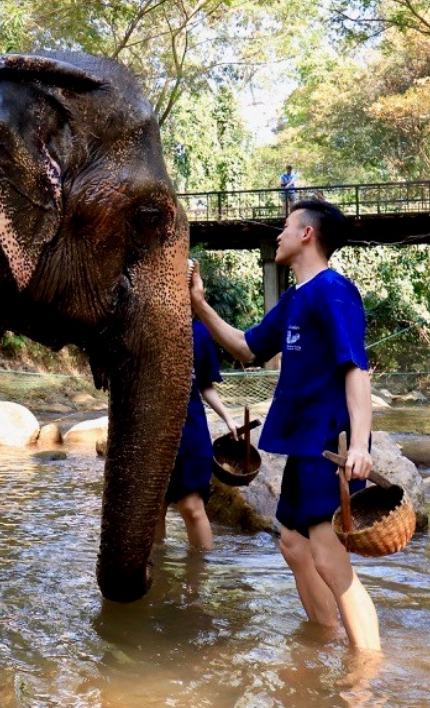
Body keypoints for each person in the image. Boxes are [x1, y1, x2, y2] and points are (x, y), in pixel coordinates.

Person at [190, 199, 381, 650]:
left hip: (328, 444)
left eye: (286, 226)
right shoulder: (296, 298)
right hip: (303, 447)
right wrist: (198, 303)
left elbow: (357, 368)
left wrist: (359, 445)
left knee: (330, 560)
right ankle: (323, 642)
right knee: (293, 545)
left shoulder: (333, 290)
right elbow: (245, 347)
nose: (279, 234)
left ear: (307, 235)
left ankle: (367, 676)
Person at [160, 315, 237, 552]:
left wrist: (227, 417)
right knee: (154, 508)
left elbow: (205, 384)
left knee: (192, 507)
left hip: (191, 431)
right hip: (154, 433)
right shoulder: (148, 325)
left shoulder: (199, 333)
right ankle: (157, 572)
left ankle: (199, 579)